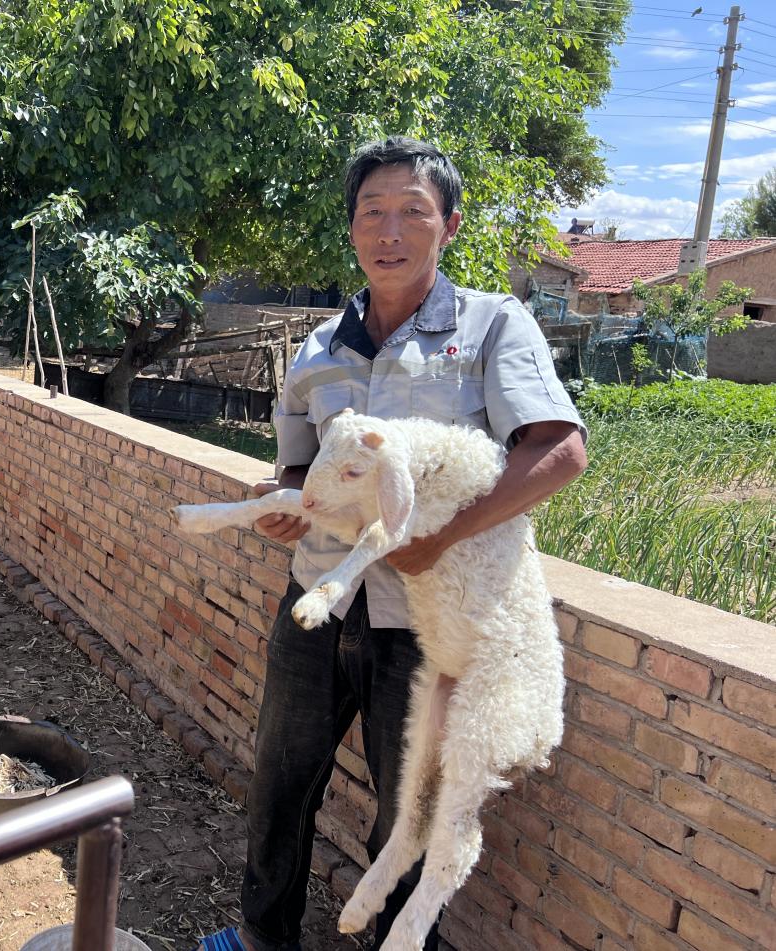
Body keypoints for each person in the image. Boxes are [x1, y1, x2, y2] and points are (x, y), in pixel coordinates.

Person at [196, 137, 588, 951]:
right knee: (278, 784)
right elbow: (301, 466)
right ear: (350, 230)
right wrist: (281, 506)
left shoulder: (490, 327)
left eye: (412, 211)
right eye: (371, 212)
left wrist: (436, 538)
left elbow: (556, 451)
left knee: (403, 809)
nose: (390, 230)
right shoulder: (316, 348)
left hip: (425, 626)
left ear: (447, 224)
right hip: (317, 600)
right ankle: (262, 937)